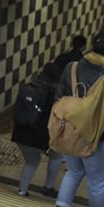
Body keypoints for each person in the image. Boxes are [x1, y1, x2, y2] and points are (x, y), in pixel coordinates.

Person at [49, 27, 104, 207]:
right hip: (93, 139)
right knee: (97, 180)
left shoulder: (71, 67)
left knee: (73, 171)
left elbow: (59, 98)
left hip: (70, 133)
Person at [11, 63, 62, 197]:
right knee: (57, 156)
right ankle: (48, 187)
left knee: (32, 161)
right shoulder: (53, 94)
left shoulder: (28, 87)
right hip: (39, 138)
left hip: (20, 135)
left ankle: (22, 190)